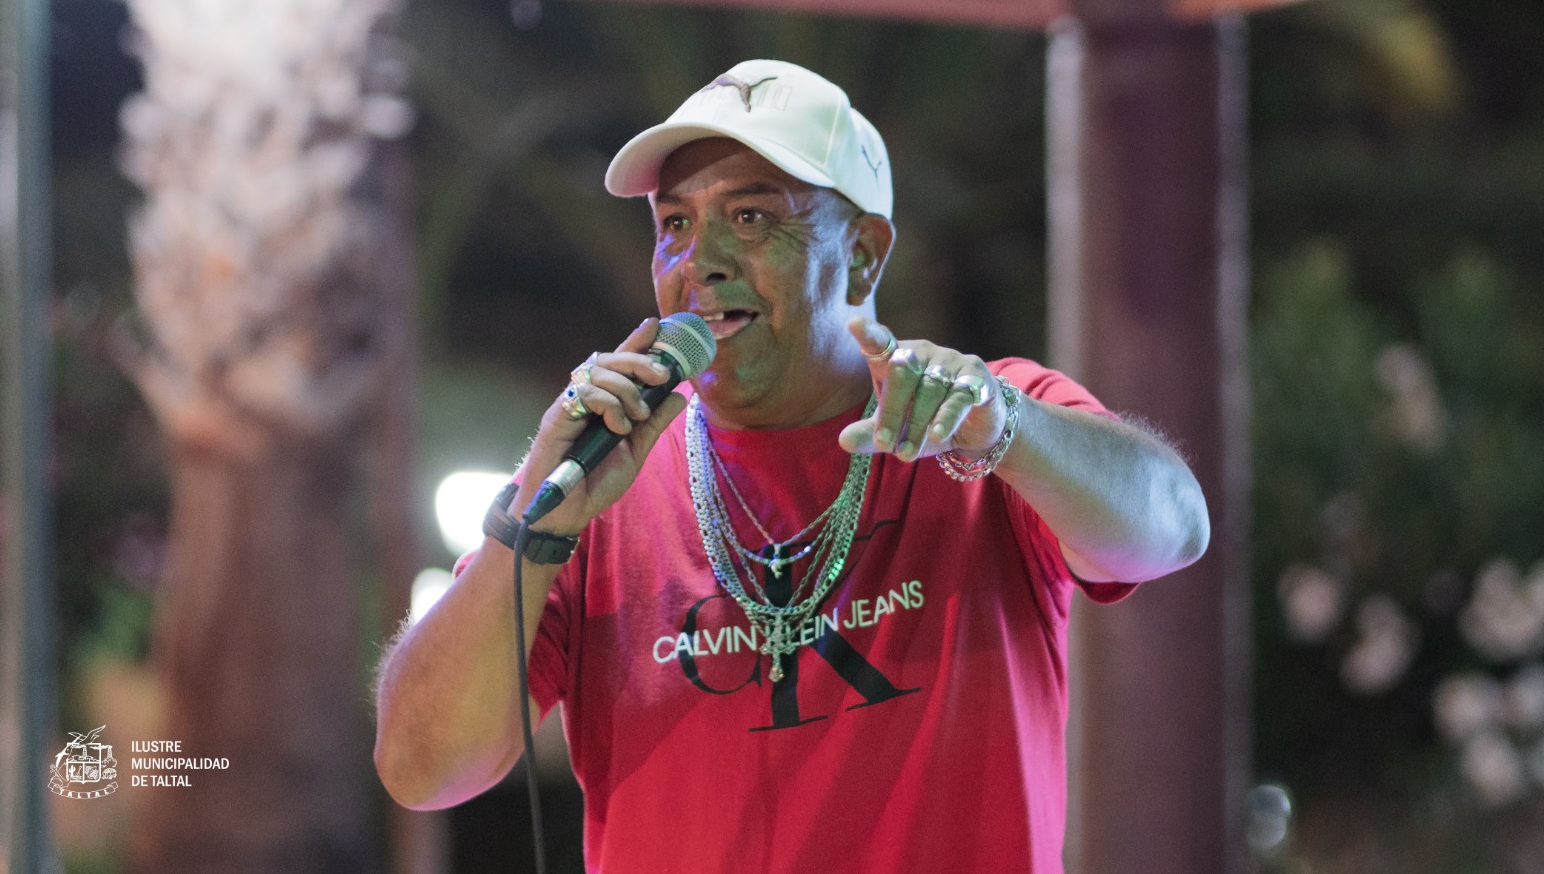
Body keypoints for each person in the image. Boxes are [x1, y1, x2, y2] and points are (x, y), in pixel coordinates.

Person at [374, 59, 1209, 873]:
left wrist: (1007, 428)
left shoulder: (978, 422)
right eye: (674, 224)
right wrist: (533, 521)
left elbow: (1172, 529)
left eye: (749, 218)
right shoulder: (599, 488)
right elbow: (422, 769)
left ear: (866, 253)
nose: (698, 262)